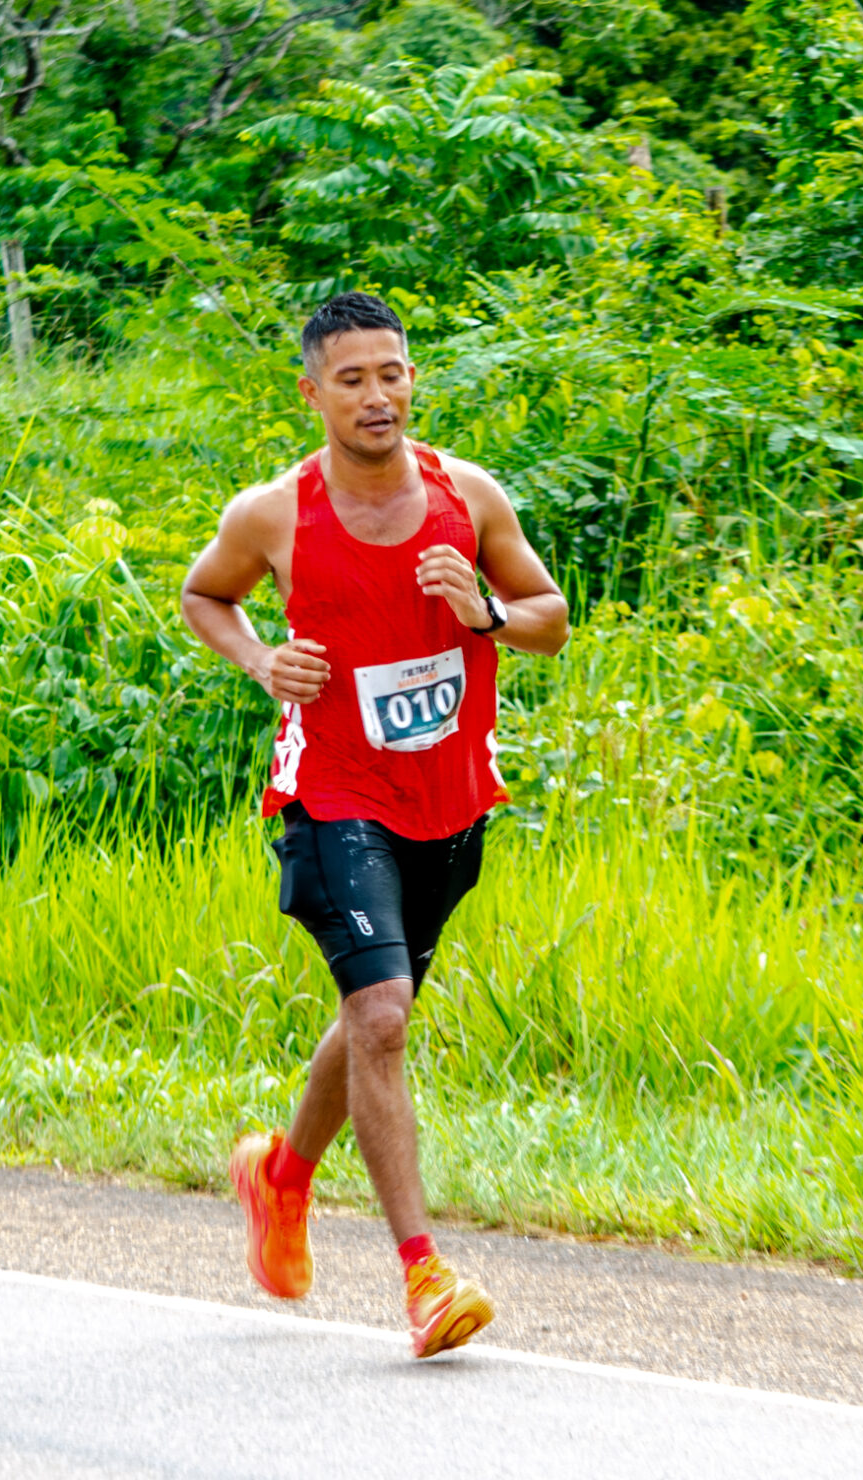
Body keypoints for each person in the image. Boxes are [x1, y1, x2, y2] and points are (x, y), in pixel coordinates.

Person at [179, 290, 568, 1357]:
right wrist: (263, 661)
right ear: (312, 394)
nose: (375, 395)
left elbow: (551, 620)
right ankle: (424, 1277)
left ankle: (282, 1174)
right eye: (350, 379)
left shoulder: (466, 495)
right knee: (385, 1013)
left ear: (412, 380)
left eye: (390, 373)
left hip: (445, 802)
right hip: (332, 794)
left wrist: (483, 613)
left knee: (370, 1019)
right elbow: (204, 596)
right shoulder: (274, 513)